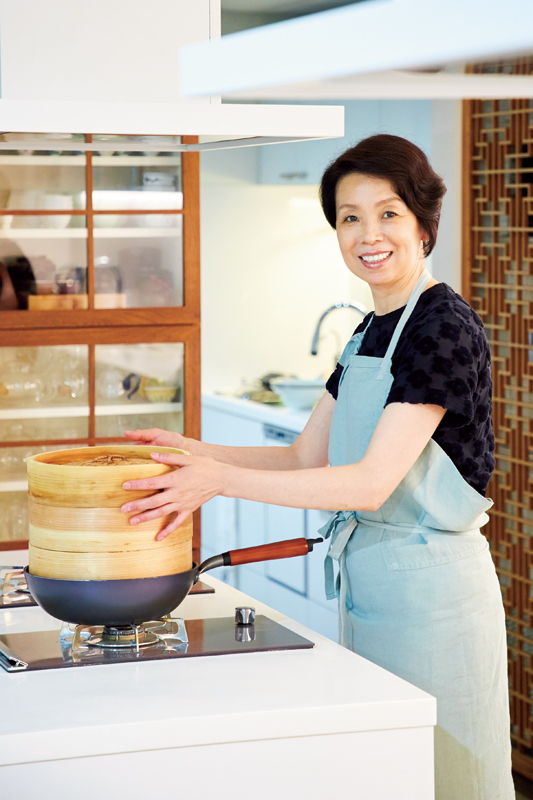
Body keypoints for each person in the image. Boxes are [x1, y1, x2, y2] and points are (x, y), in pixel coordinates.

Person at [121, 134, 514, 800]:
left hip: (433, 604)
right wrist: (191, 451)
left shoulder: (441, 327)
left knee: (448, 781)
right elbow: (306, 456)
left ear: (422, 221)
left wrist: (219, 482)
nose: (367, 233)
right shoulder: (369, 329)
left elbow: (366, 483)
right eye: (348, 217)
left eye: (386, 213)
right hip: (369, 593)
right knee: (389, 775)